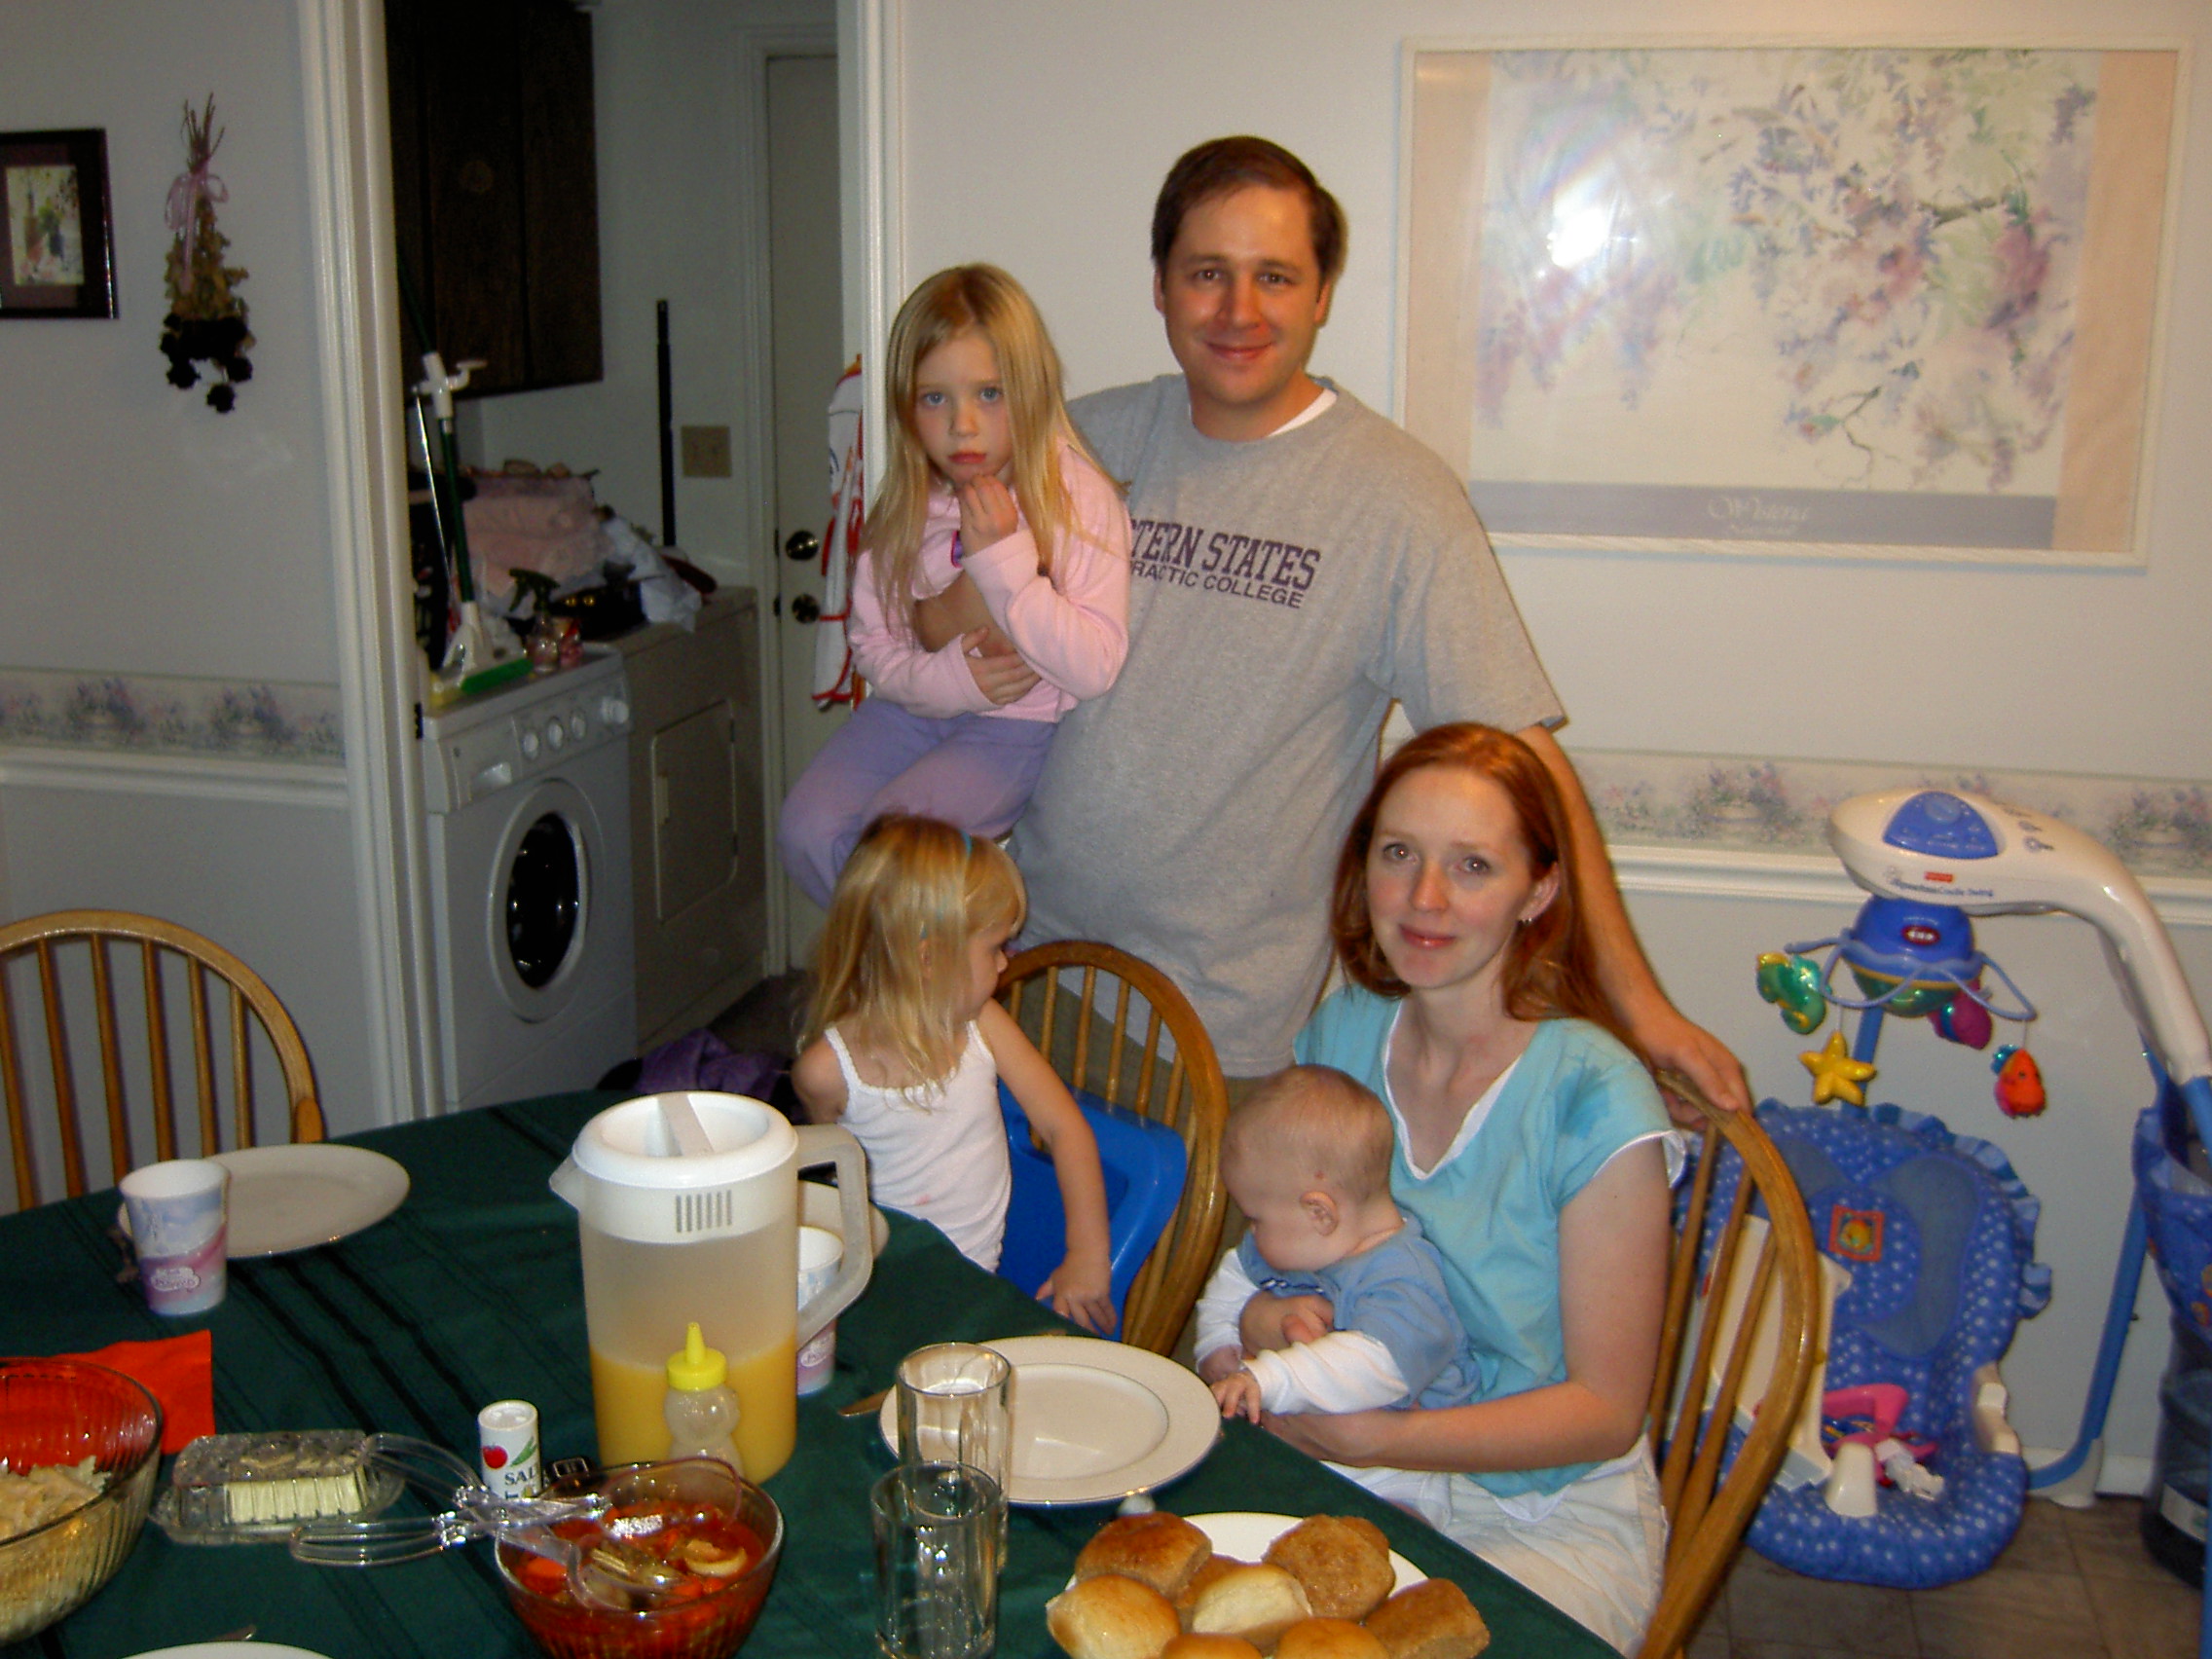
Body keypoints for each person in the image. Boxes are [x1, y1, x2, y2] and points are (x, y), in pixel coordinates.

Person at [925, 136, 1745, 1114]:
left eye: (1274, 276)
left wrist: (1642, 1009)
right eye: (1206, 274)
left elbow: (1522, 755)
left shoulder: (1397, 501)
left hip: (1210, 1038)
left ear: (1321, 295)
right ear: (1159, 287)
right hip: (1013, 970)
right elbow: (919, 580)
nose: (1239, 311)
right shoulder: (1078, 443)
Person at [1237, 723, 1678, 1652]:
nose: (1425, 898)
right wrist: (1258, 1326)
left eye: (1473, 865)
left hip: (1540, 1511)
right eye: (1399, 854)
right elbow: (1278, 1261)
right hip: (1351, 1466)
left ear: (1539, 890)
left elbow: (1604, 1413)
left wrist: (1381, 1439)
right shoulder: (1342, 1037)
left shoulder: (1594, 1098)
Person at [777, 264, 1131, 908]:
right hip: (910, 710)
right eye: (934, 398)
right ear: (905, 407)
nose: (963, 425)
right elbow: (874, 649)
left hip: (1011, 730)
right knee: (807, 831)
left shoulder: (1073, 496)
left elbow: (1094, 668)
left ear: (1030, 388)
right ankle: (912, 962)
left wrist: (1001, 561)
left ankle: (934, 961)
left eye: (989, 393)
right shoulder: (907, 502)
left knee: (895, 848)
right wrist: (950, 681)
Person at [790, 814, 1116, 1332]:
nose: (1006, 963)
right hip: (879, 1284)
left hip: (972, 1284)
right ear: (928, 959)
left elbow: (1063, 1127)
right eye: (994, 948)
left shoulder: (983, 1024)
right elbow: (831, 1184)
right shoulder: (827, 1071)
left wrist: (1087, 1254)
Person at [1192, 1064, 1488, 1519]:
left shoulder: (1405, 1278)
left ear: (1320, 1213)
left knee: (1388, 1536)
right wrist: (1218, 1346)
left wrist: (1266, 1379)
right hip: (1290, 1442)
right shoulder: (1293, 1242)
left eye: (1256, 1219)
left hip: (1390, 1474)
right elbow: (1230, 1283)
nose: (1250, 1233)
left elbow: (1372, 1365)